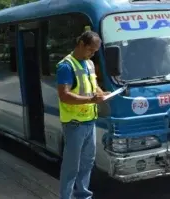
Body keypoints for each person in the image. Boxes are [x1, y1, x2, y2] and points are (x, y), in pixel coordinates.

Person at [56, 31, 110, 199]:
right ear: (81, 44)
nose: (93, 54)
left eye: (95, 51)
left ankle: (83, 195)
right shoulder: (66, 66)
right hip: (74, 123)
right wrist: (91, 99)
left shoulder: (89, 64)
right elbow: (64, 96)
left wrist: (102, 94)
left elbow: (93, 87)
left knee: (87, 163)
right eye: (91, 50)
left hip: (89, 121)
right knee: (71, 166)